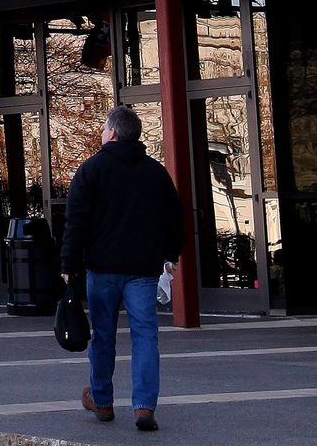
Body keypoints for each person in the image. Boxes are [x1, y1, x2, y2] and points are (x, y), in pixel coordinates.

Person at [59, 105, 183, 433]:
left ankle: (102, 400)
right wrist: (170, 255)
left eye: (104, 128)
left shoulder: (91, 170)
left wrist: (69, 264)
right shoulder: (155, 173)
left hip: (102, 269)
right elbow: (175, 218)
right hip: (143, 270)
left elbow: (76, 222)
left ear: (112, 132)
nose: (102, 132)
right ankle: (144, 407)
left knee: (103, 335)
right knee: (145, 336)